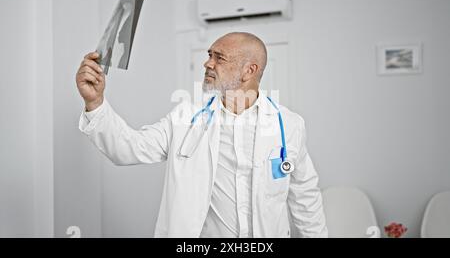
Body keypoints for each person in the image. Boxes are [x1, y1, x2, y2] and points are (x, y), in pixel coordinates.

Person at [75, 32, 328, 238]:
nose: (208, 63)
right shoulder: (185, 118)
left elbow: (305, 197)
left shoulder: (289, 126)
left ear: (249, 71)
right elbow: (127, 148)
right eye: (209, 55)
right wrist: (95, 102)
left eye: (219, 57)